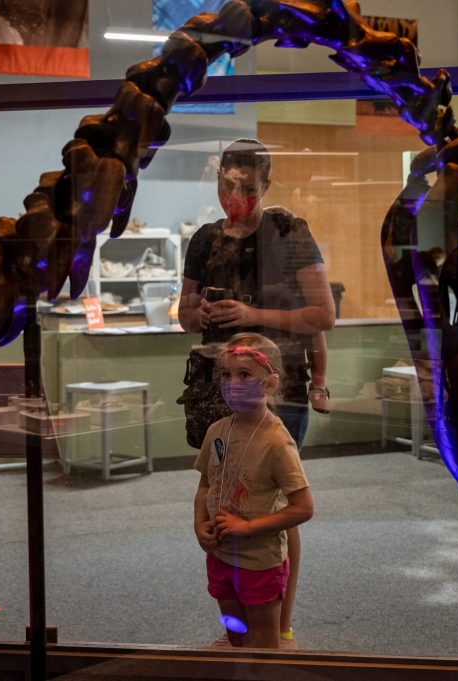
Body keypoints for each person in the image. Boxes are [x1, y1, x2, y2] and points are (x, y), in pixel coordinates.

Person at [178, 137, 334, 648]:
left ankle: (278, 624)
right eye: (226, 184)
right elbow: (183, 315)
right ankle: (237, 623)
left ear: (266, 184)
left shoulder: (287, 231)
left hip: (275, 385)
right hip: (217, 387)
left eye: (246, 186)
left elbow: (322, 316)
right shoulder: (204, 239)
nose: (234, 195)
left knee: (273, 502)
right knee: (225, 490)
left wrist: (253, 316)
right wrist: (197, 315)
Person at [193, 333, 314, 649]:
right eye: (226, 374)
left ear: (270, 384)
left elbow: (303, 507)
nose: (232, 383)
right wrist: (199, 524)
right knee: (235, 631)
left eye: (244, 374)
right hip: (220, 553)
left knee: (262, 643)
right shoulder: (217, 430)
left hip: (260, 560)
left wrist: (248, 527)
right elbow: (205, 483)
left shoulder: (277, 442)